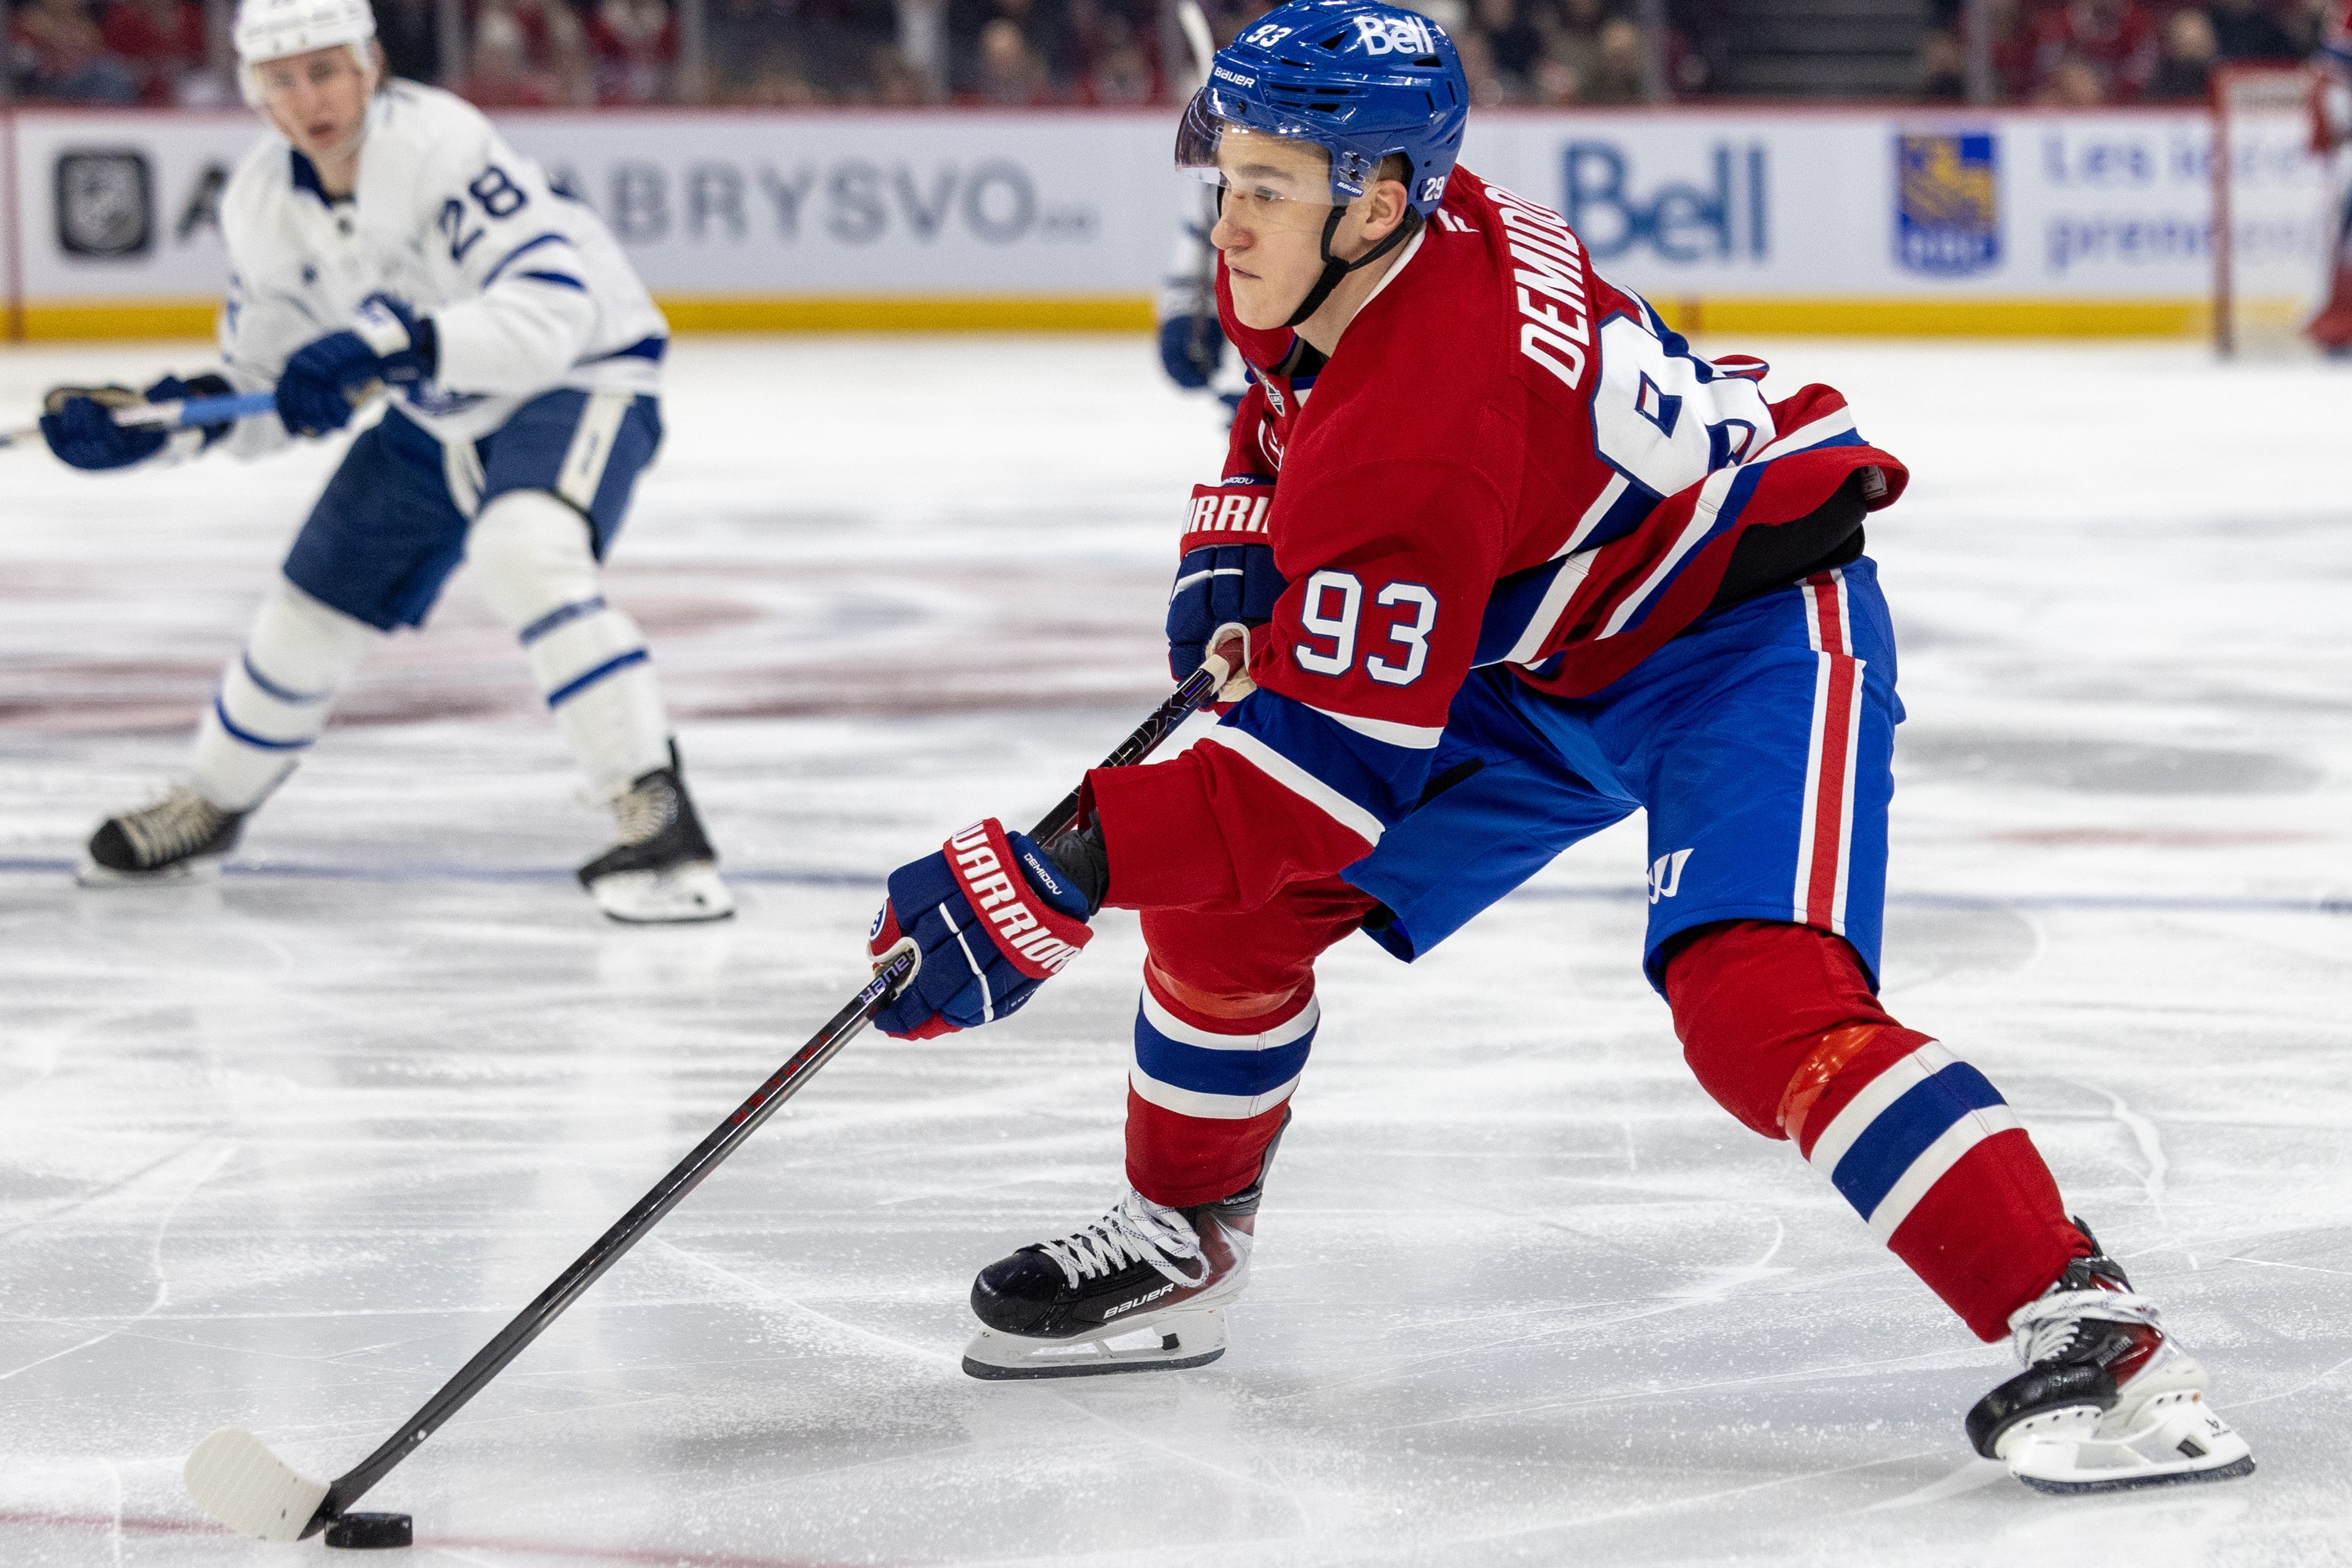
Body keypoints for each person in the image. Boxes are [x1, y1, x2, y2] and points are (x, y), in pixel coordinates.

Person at [861, 0, 2256, 1494]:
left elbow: (1311, 791)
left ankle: (2101, 1336)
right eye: (1231, 179)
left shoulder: (1425, 422)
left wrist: (1054, 870)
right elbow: (1279, 402)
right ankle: (1186, 1238)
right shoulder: (1380, 241)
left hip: (1740, 634)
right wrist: (1236, 547)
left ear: (1380, 197)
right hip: (1545, 636)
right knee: (1235, 912)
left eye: (1269, 186)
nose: (1234, 221)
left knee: (1756, 1002)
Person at [42, 0, 733, 924]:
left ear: (370, 66)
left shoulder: (441, 144)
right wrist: (159, 423)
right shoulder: (258, 205)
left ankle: (658, 809)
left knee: (525, 546)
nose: (309, 98)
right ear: (255, 91)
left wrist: (393, 345)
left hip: (578, 379)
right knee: (310, 601)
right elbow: (272, 390)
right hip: (438, 407)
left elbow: (552, 310)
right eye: (283, 79)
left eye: (326, 70)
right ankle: (211, 801)